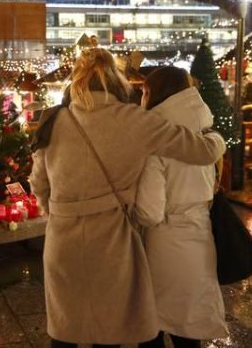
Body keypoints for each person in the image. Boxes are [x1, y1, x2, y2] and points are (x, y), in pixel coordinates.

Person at [29, 48, 226, 347]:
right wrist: (215, 136)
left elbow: (39, 185)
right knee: (109, 330)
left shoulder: (54, 121)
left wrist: (57, 212)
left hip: (62, 239)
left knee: (65, 329)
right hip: (112, 238)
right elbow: (203, 152)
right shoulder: (135, 120)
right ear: (117, 80)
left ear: (77, 81)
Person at [134, 66, 228, 348]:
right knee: (189, 328)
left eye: (144, 92)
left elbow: (150, 211)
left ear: (156, 95)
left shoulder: (157, 142)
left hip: (166, 243)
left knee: (153, 324)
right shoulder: (206, 136)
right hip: (201, 237)